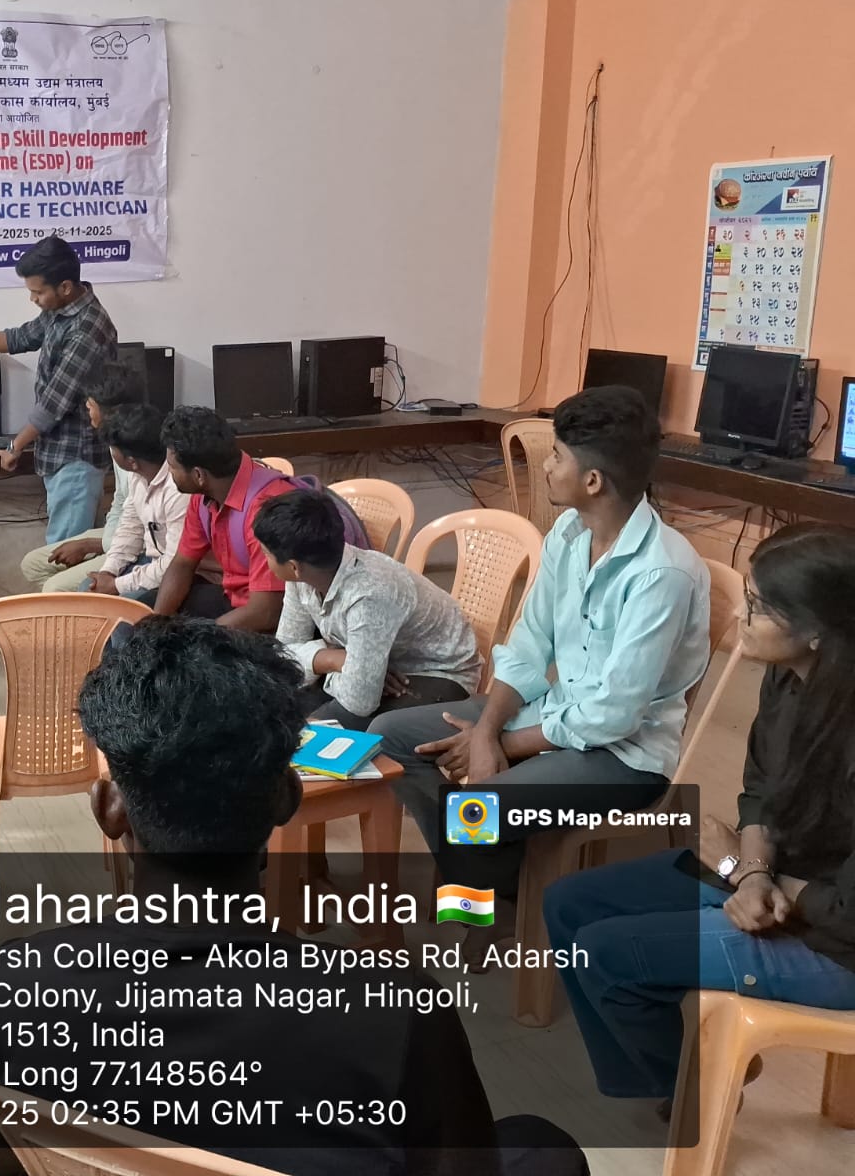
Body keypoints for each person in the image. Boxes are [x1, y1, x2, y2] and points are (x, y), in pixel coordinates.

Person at [0, 616, 586, 1176]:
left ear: (110, 811)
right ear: (287, 799)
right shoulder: (397, 1011)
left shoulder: (16, 981)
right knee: (543, 1147)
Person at [372, 386, 710, 946]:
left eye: (556, 456)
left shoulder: (662, 573)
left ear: (593, 481)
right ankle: (500, 882)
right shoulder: (569, 535)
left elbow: (614, 715)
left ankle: (482, 902)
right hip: (553, 716)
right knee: (391, 736)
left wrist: (505, 744)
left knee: (474, 809)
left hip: (625, 755)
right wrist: (486, 734)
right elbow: (528, 645)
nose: (547, 468)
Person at [545, 523, 855, 1109]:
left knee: (606, 952)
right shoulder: (788, 676)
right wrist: (753, 873)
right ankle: (672, 1075)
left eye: (758, 607)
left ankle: (698, 1093)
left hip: (838, 946)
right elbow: (759, 789)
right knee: (569, 903)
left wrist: (743, 871)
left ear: (817, 630)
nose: (739, 614)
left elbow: (847, 914)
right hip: (775, 881)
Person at [0, 233, 117, 547]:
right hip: (60, 453)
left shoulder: (88, 328)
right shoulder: (62, 310)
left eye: (37, 292)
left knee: (65, 551)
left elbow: (53, 404)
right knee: (71, 549)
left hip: (77, 458)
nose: (33, 299)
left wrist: (15, 446)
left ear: (65, 287)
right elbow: (20, 337)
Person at [255, 488, 483, 727]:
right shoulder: (305, 575)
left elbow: (359, 701)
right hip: (372, 667)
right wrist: (333, 659)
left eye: (266, 554)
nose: (264, 560)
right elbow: (283, 657)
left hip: (435, 674)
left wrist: (345, 667)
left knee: (308, 732)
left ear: (293, 566)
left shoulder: (370, 594)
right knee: (272, 709)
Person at [151, 406, 368, 629]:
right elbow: (182, 564)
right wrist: (154, 627)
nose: (170, 473)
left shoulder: (266, 508)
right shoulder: (204, 496)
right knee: (149, 606)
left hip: (278, 618)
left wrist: (202, 640)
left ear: (198, 475)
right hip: (236, 600)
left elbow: (266, 613)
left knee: (188, 643)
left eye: (172, 467)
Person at [19, 361, 145, 593]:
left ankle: (82, 608)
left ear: (112, 411)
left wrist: (92, 546)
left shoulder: (141, 452)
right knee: (32, 565)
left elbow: (147, 530)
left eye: (91, 404)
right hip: (118, 537)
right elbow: (120, 501)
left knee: (54, 588)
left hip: (139, 545)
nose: (87, 407)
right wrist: (101, 544)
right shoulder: (114, 442)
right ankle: (83, 608)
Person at [85, 401, 194, 603]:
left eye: (113, 449)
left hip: (178, 573)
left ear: (131, 461)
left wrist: (117, 585)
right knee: (87, 589)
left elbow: (174, 565)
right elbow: (130, 526)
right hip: (151, 562)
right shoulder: (138, 474)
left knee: (121, 608)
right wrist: (109, 571)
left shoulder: (179, 490)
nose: (111, 452)